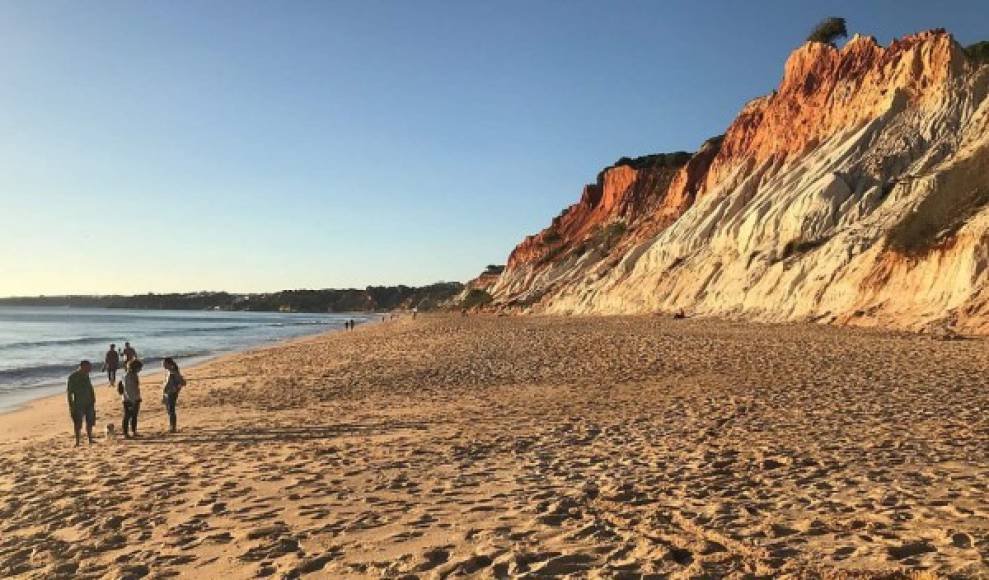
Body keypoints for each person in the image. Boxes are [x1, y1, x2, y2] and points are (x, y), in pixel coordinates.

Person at [67, 360, 96, 447]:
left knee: (90, 421)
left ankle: (90, 439)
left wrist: (93, 397)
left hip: (89, 402)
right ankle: (77, 441)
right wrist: (71, 405)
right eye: (88, 367)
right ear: (82, 366)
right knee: (78, 423)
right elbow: (69, 392)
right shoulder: (73, 377)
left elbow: (90, 387)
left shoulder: (86, 375)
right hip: (78, 403)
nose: (90, 369)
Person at [162, 357, 186, 433]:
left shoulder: (174, 373)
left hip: (172, 393)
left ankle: (173, 427)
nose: (163, 365)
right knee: (169, 410)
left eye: (164, 364)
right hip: (167, 393)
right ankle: (172, 426)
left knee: (171, 410)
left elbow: (183, 382)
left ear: (169, 364)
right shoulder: (169, 372)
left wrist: (176, 388)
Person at [121, 358, 143, 438]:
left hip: (135, 398)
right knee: (127, 415)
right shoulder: (127, 376)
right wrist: (132, 400)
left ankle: (134, 431)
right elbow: (127, 389)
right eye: (139, 368)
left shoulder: (134, 375)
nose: (140, 370)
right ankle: (125, 433)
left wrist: (137, 397)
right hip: (128, 399)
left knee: (134, 415)